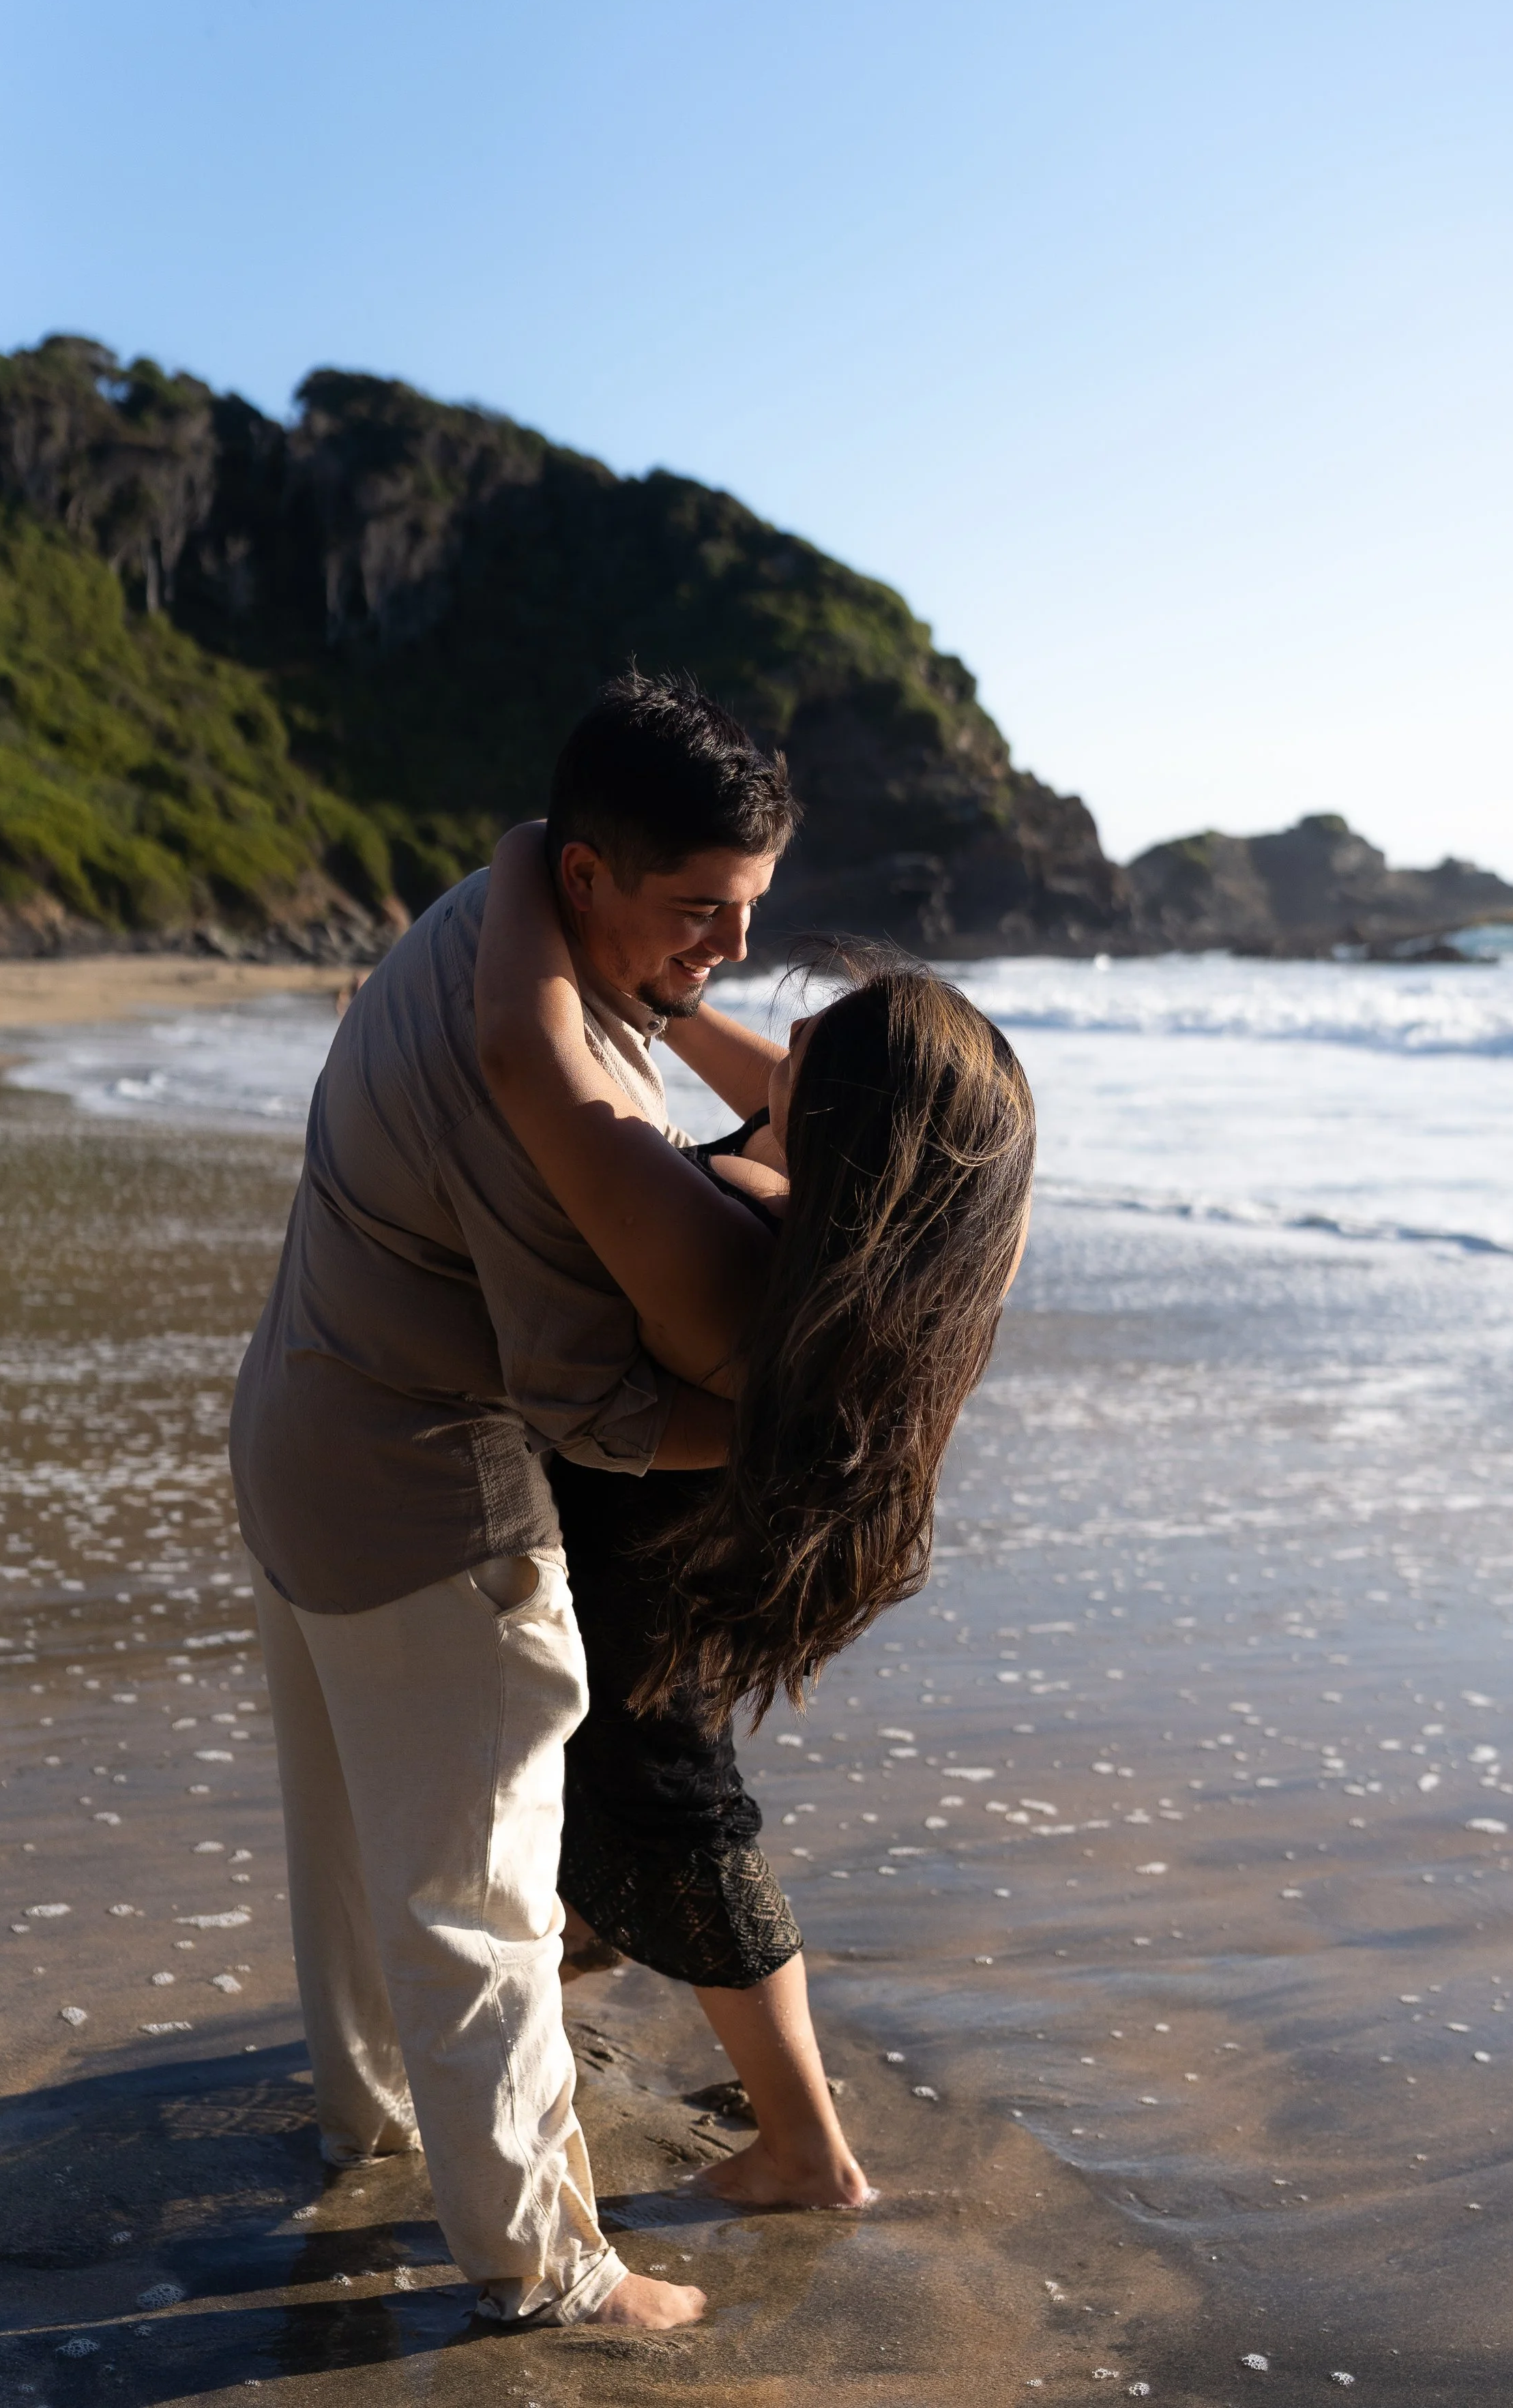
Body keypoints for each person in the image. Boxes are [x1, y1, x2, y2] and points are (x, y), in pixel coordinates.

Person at [228, 672, 797, 2332]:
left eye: (751, 912)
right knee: (479, 1900)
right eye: (700, 913)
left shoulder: (486, 916)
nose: (729, 947)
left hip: (293, 1428)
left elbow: (730, 1066)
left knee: (348, 1848)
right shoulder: (534, 1091)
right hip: (420, 1498)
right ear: (588, 876)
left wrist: (682, 994)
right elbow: (594, 1412)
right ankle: (545, 2270)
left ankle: (374, 2117)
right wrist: (782, 1443)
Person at [472, 793, 1036, 2207]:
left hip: (638, 1574)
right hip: (676, 1553)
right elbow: (733, 1068)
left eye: (805, 1052)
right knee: (636, 1793)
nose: (772, 1038)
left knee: (676, 1801)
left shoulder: (722, 1245)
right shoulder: (854, 1233)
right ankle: (583, 1958)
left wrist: (526, 873)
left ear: (833, 1124)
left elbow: (524, 1061)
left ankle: (805, 2151)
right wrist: (646, 987)